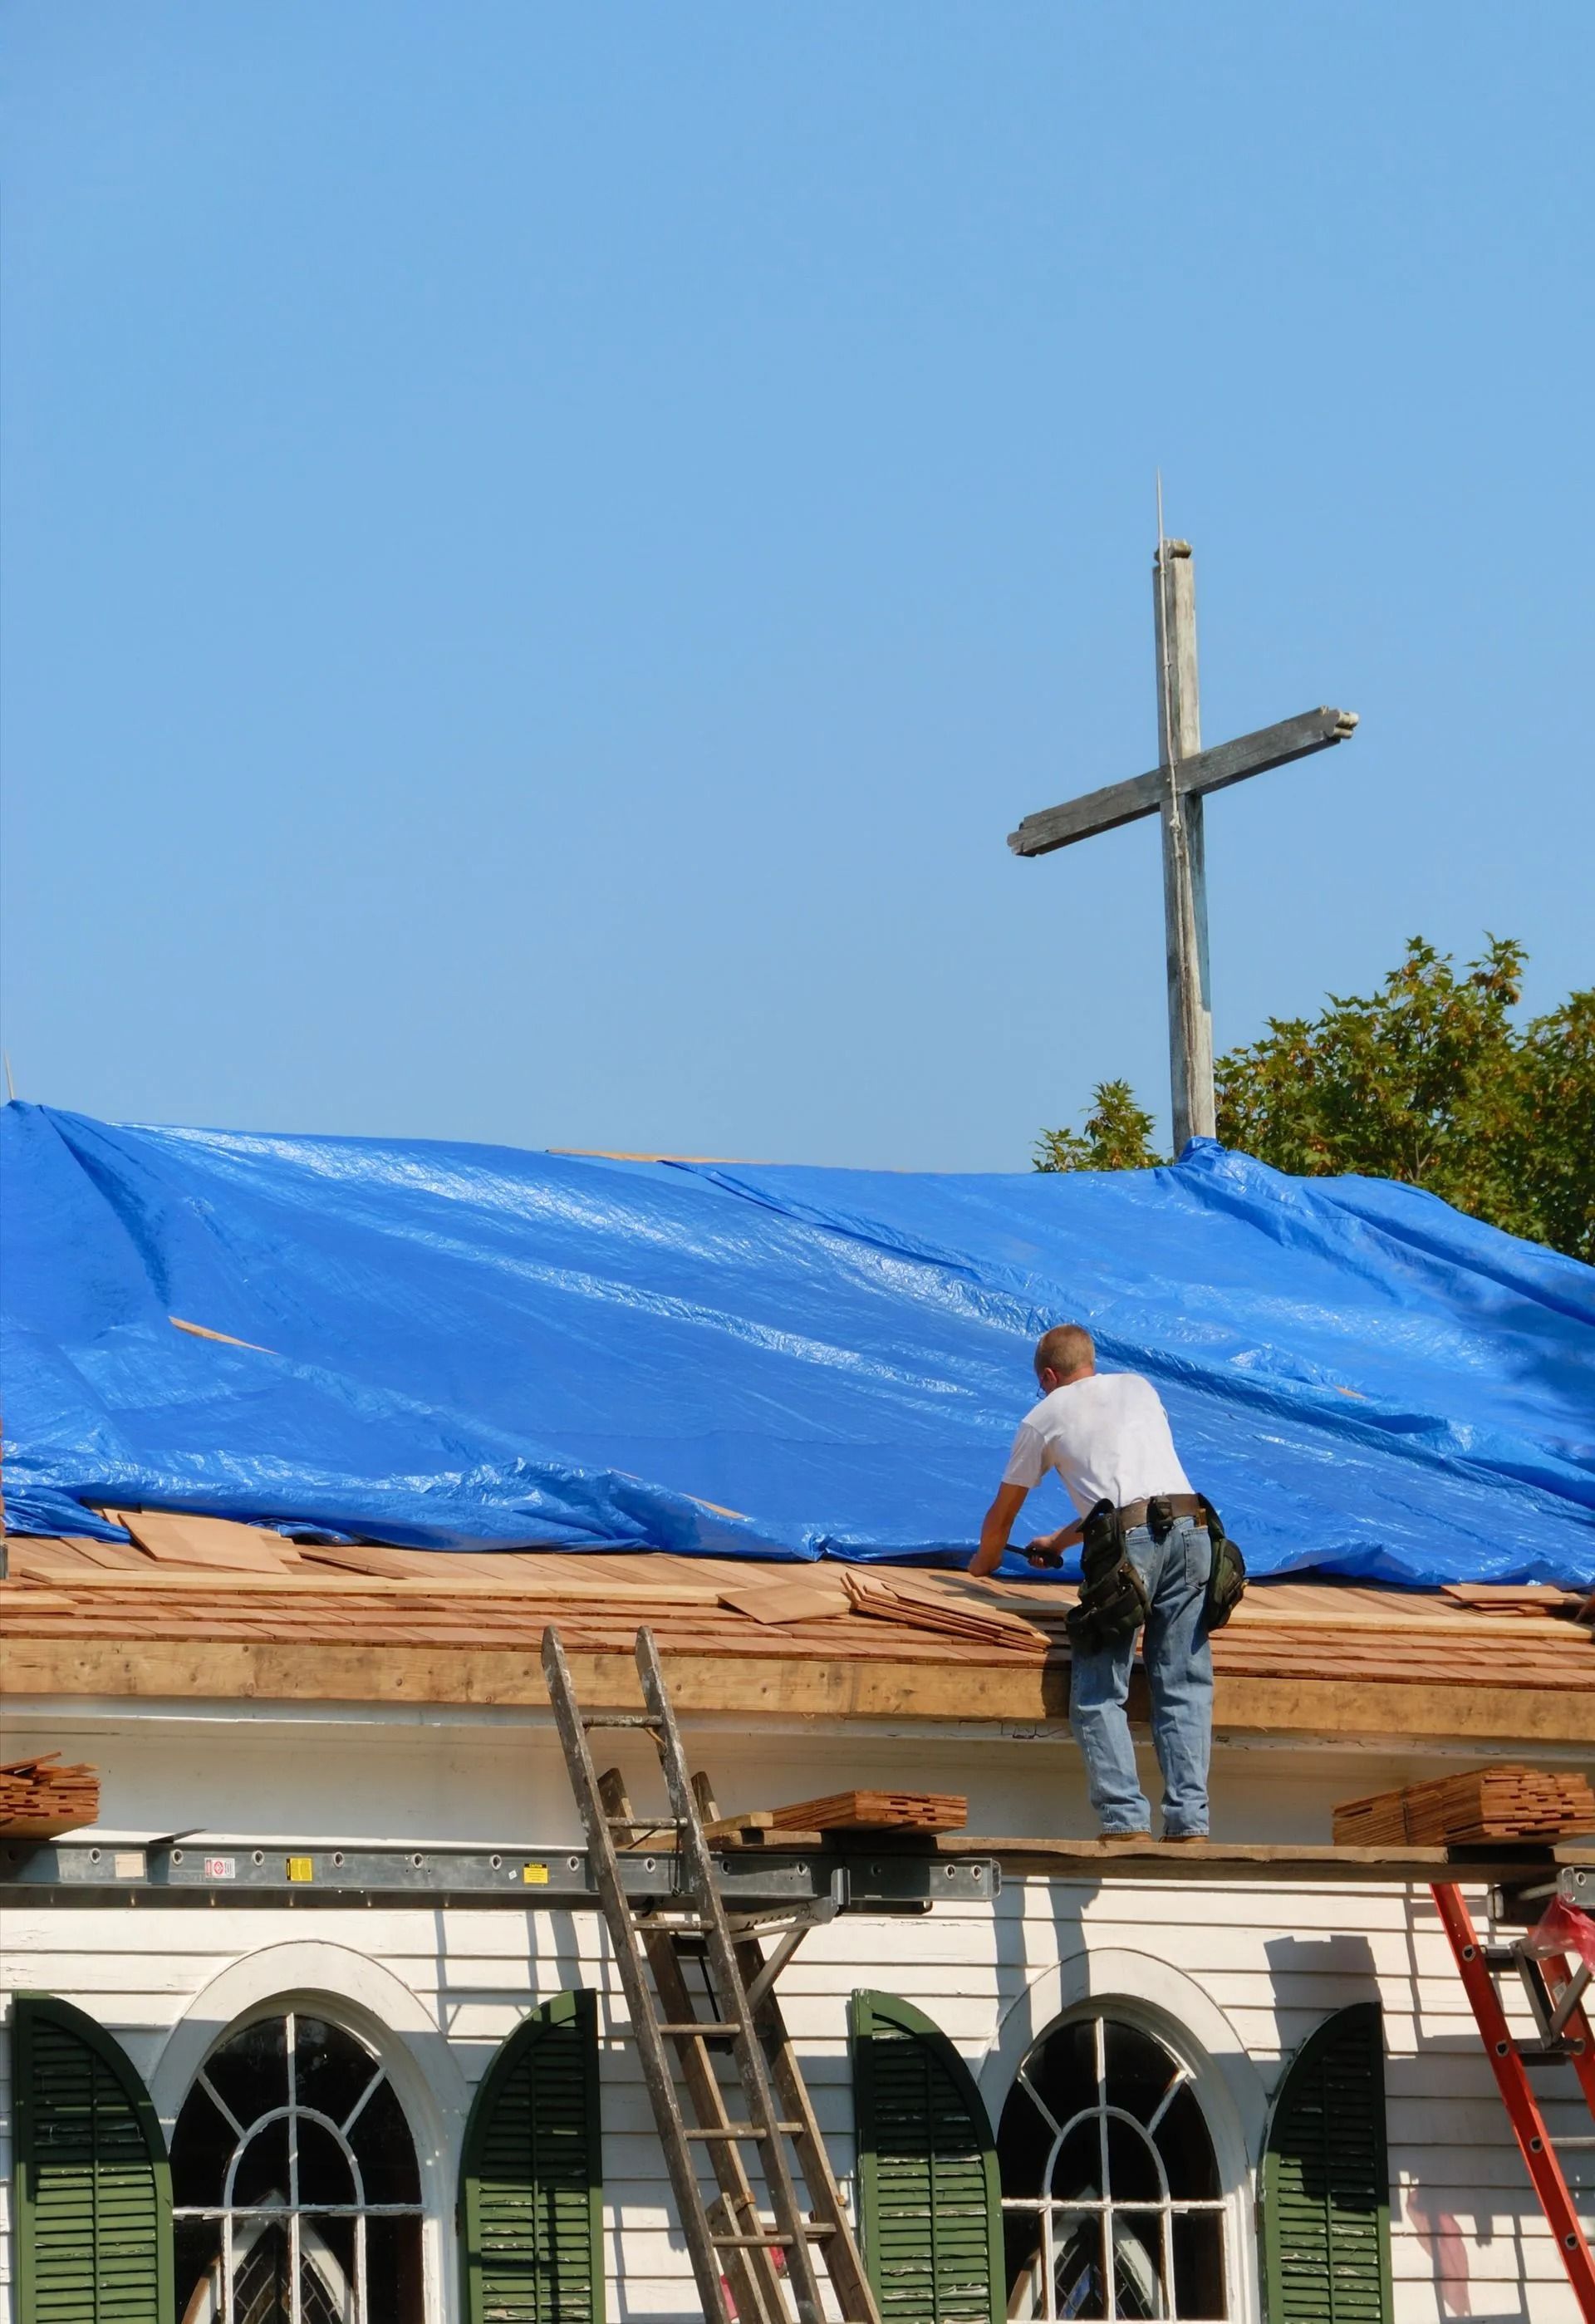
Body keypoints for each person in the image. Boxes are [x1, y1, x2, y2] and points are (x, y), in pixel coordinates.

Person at [969, 1323, 1212, 1843]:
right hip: (1195, 1532)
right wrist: (1059, 1543)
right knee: (1184, 1687)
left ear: (1050, 1376)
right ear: (1091, 1362)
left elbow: (1003, 1516)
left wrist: (983, 1564)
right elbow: (1138, 1500)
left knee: (1100, 1691)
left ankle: (1124, 1821)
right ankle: (1189, 1824)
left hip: (1130, 1547)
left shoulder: (1044, 1416)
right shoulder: (1139, 1389)